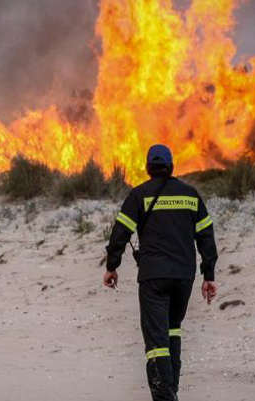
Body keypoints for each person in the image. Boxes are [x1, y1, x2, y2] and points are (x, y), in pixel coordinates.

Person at [103, 144, 219, 401]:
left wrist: (112, 267)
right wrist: (208, 275)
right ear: (171, 166)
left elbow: (120, 233)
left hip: (153, 276)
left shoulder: (139, 195)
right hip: (184, 277)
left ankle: (165, 397)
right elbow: (206, 236)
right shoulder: (190, 195)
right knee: (173, 329)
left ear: (148, 168)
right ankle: (172, 390)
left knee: (157, 342)